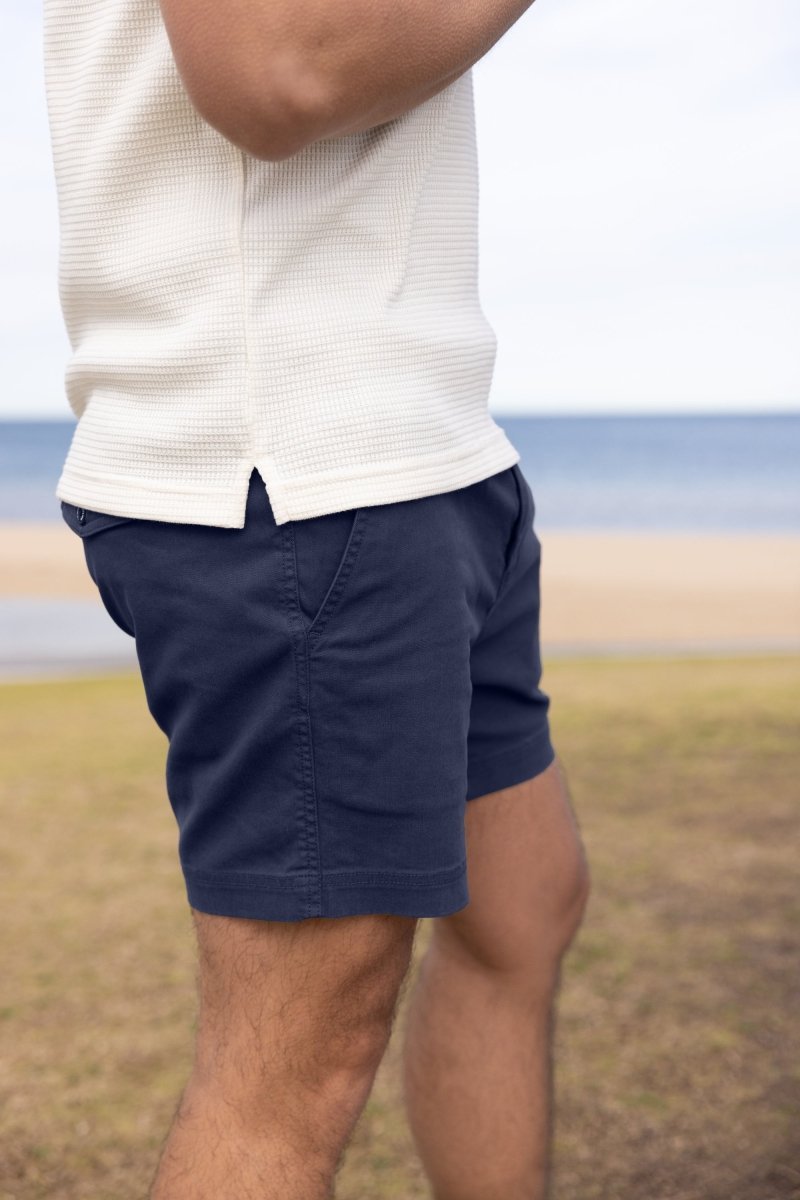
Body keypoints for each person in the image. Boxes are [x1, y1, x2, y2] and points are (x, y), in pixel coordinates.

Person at [43, 1, 591, 1196]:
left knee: (521, 901)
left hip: (411, 442)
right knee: (297, 1062)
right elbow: (272, 68)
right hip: (297, 470)